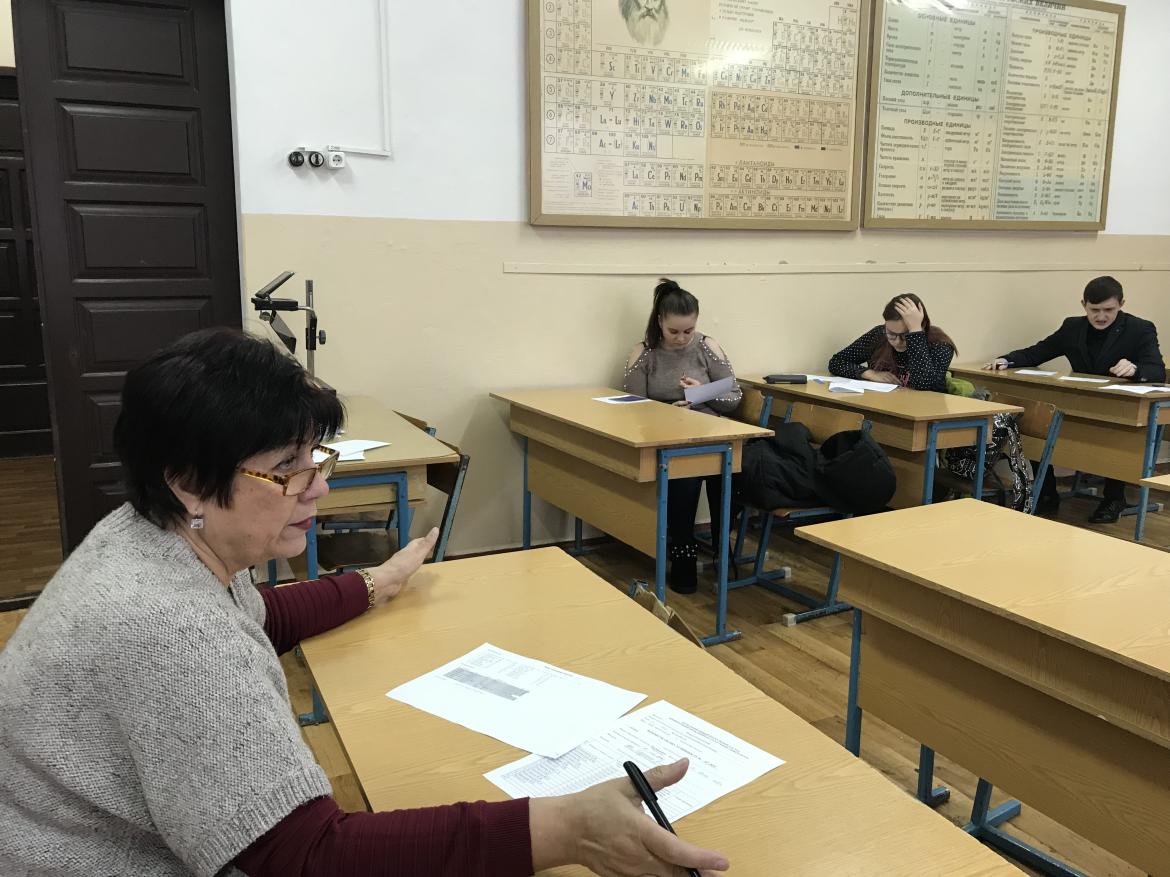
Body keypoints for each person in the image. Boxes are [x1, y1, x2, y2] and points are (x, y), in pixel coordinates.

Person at [0, 328, 729, 877]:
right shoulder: (168, 630)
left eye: (313, 457)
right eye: (286, 467)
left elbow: (256, 617)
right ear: (189, 481)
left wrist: (375, 583)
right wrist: (564, 829)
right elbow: (304, 856)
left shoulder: (156, 537)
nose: (317, 485)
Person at [983, 275, 1166, 523]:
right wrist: (1007, 360)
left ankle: (1114, 498)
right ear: (1084, 305)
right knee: (1038, 426)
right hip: (1081, 401)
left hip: (1118, 408)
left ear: (1121, 304)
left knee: (1117, 439)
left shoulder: (1139, 329)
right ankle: (1046, 493)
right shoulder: (1073, 327)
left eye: (1108, 310)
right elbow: (1038, 351)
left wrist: (1135, 369)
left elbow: (1156, 370)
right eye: (1094, 310)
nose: (1101, 316)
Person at [624, 278, 742, 595]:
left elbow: (734, 397)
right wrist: (665, 411)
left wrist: (702, 393)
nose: (681, 338)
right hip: (667, 436)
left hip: (709, 430)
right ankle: (683, 553)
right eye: (673, 331)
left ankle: (722, 548)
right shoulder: (644, 352)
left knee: (726, 473)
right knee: (684, 477)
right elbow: (631, 407)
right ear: (659, 322)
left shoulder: (707, 346)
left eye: (688, 331)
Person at [828, 293, 958, 391]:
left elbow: (924, 385)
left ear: (922, 326)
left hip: (925, 410)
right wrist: (870, 373)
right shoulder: (879, 334)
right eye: (891, 334)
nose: (897, 341)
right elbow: (837, 362)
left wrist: (915, 333)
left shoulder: (940, 345)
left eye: (905, 336)